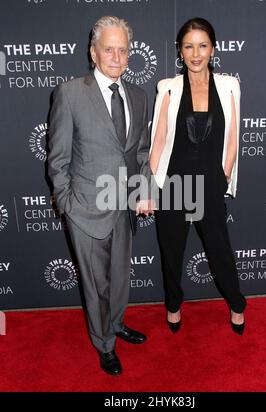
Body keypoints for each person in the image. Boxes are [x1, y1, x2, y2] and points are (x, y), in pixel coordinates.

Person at [48, 16, 153, 376]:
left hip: (123, 207)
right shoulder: (70, 93)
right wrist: (67, 205)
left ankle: (117, 324)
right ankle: (104, 344)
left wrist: (142, 192)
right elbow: (57, 159)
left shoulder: (138, 96)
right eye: (108, 49)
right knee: (96, 286)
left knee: (120, 278)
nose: (116, 56)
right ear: (94, 53)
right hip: (86, 211)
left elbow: (139, 153)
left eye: (122, 50)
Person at [150, 17, 246, 335]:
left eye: (202, 45)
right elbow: (159, 138)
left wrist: (224, 173)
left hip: (210, 182)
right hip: (174, 183)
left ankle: (236, 304)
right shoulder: (168, 87)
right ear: (180, 51)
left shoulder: (230, 85)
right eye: (188, 46)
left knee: (220, 250)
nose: (195, 53)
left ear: (213, 49)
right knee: (172, 251)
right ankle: (174, 306)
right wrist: (151, 183)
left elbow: (233, 137)